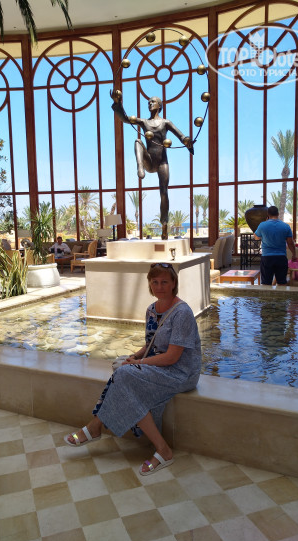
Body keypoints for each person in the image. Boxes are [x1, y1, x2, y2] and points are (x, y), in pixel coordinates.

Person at [64, 263, 202, 475]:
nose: (159, 287)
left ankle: (95, 427)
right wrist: (136, 356)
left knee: (124, 374)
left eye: (164, 282)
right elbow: (151, 345)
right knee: (125, 378)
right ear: (149, 284)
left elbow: (172, 357)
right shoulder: (152, 310)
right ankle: (162, 450)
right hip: (160, 366)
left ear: (174, 283)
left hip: (181, 372)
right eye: (155, 282)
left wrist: (138, 364)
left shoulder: (182, 312)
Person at [111, 91, 193, 240]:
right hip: (149, 161)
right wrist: (118, 104)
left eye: (153, 101)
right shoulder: (144, 122)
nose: (150, 103)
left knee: (164, 192)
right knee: (138, 141)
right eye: (148, 102)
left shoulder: (165, 123)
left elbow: (181, 136)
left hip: (162, 162)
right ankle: (139, 166)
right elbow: (125, 119)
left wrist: (187, 142)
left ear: (159, 106)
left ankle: (164, 225)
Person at [254, 205, 298, 285]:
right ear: (278, 214)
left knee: (266, 283)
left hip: (267, 257)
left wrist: (265, 224)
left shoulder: (262, 225)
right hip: (281, 257)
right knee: (282, 282)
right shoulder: (285, 226)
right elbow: (290, 243)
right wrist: (294, 254)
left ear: (268, 214)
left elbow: (256, 237)